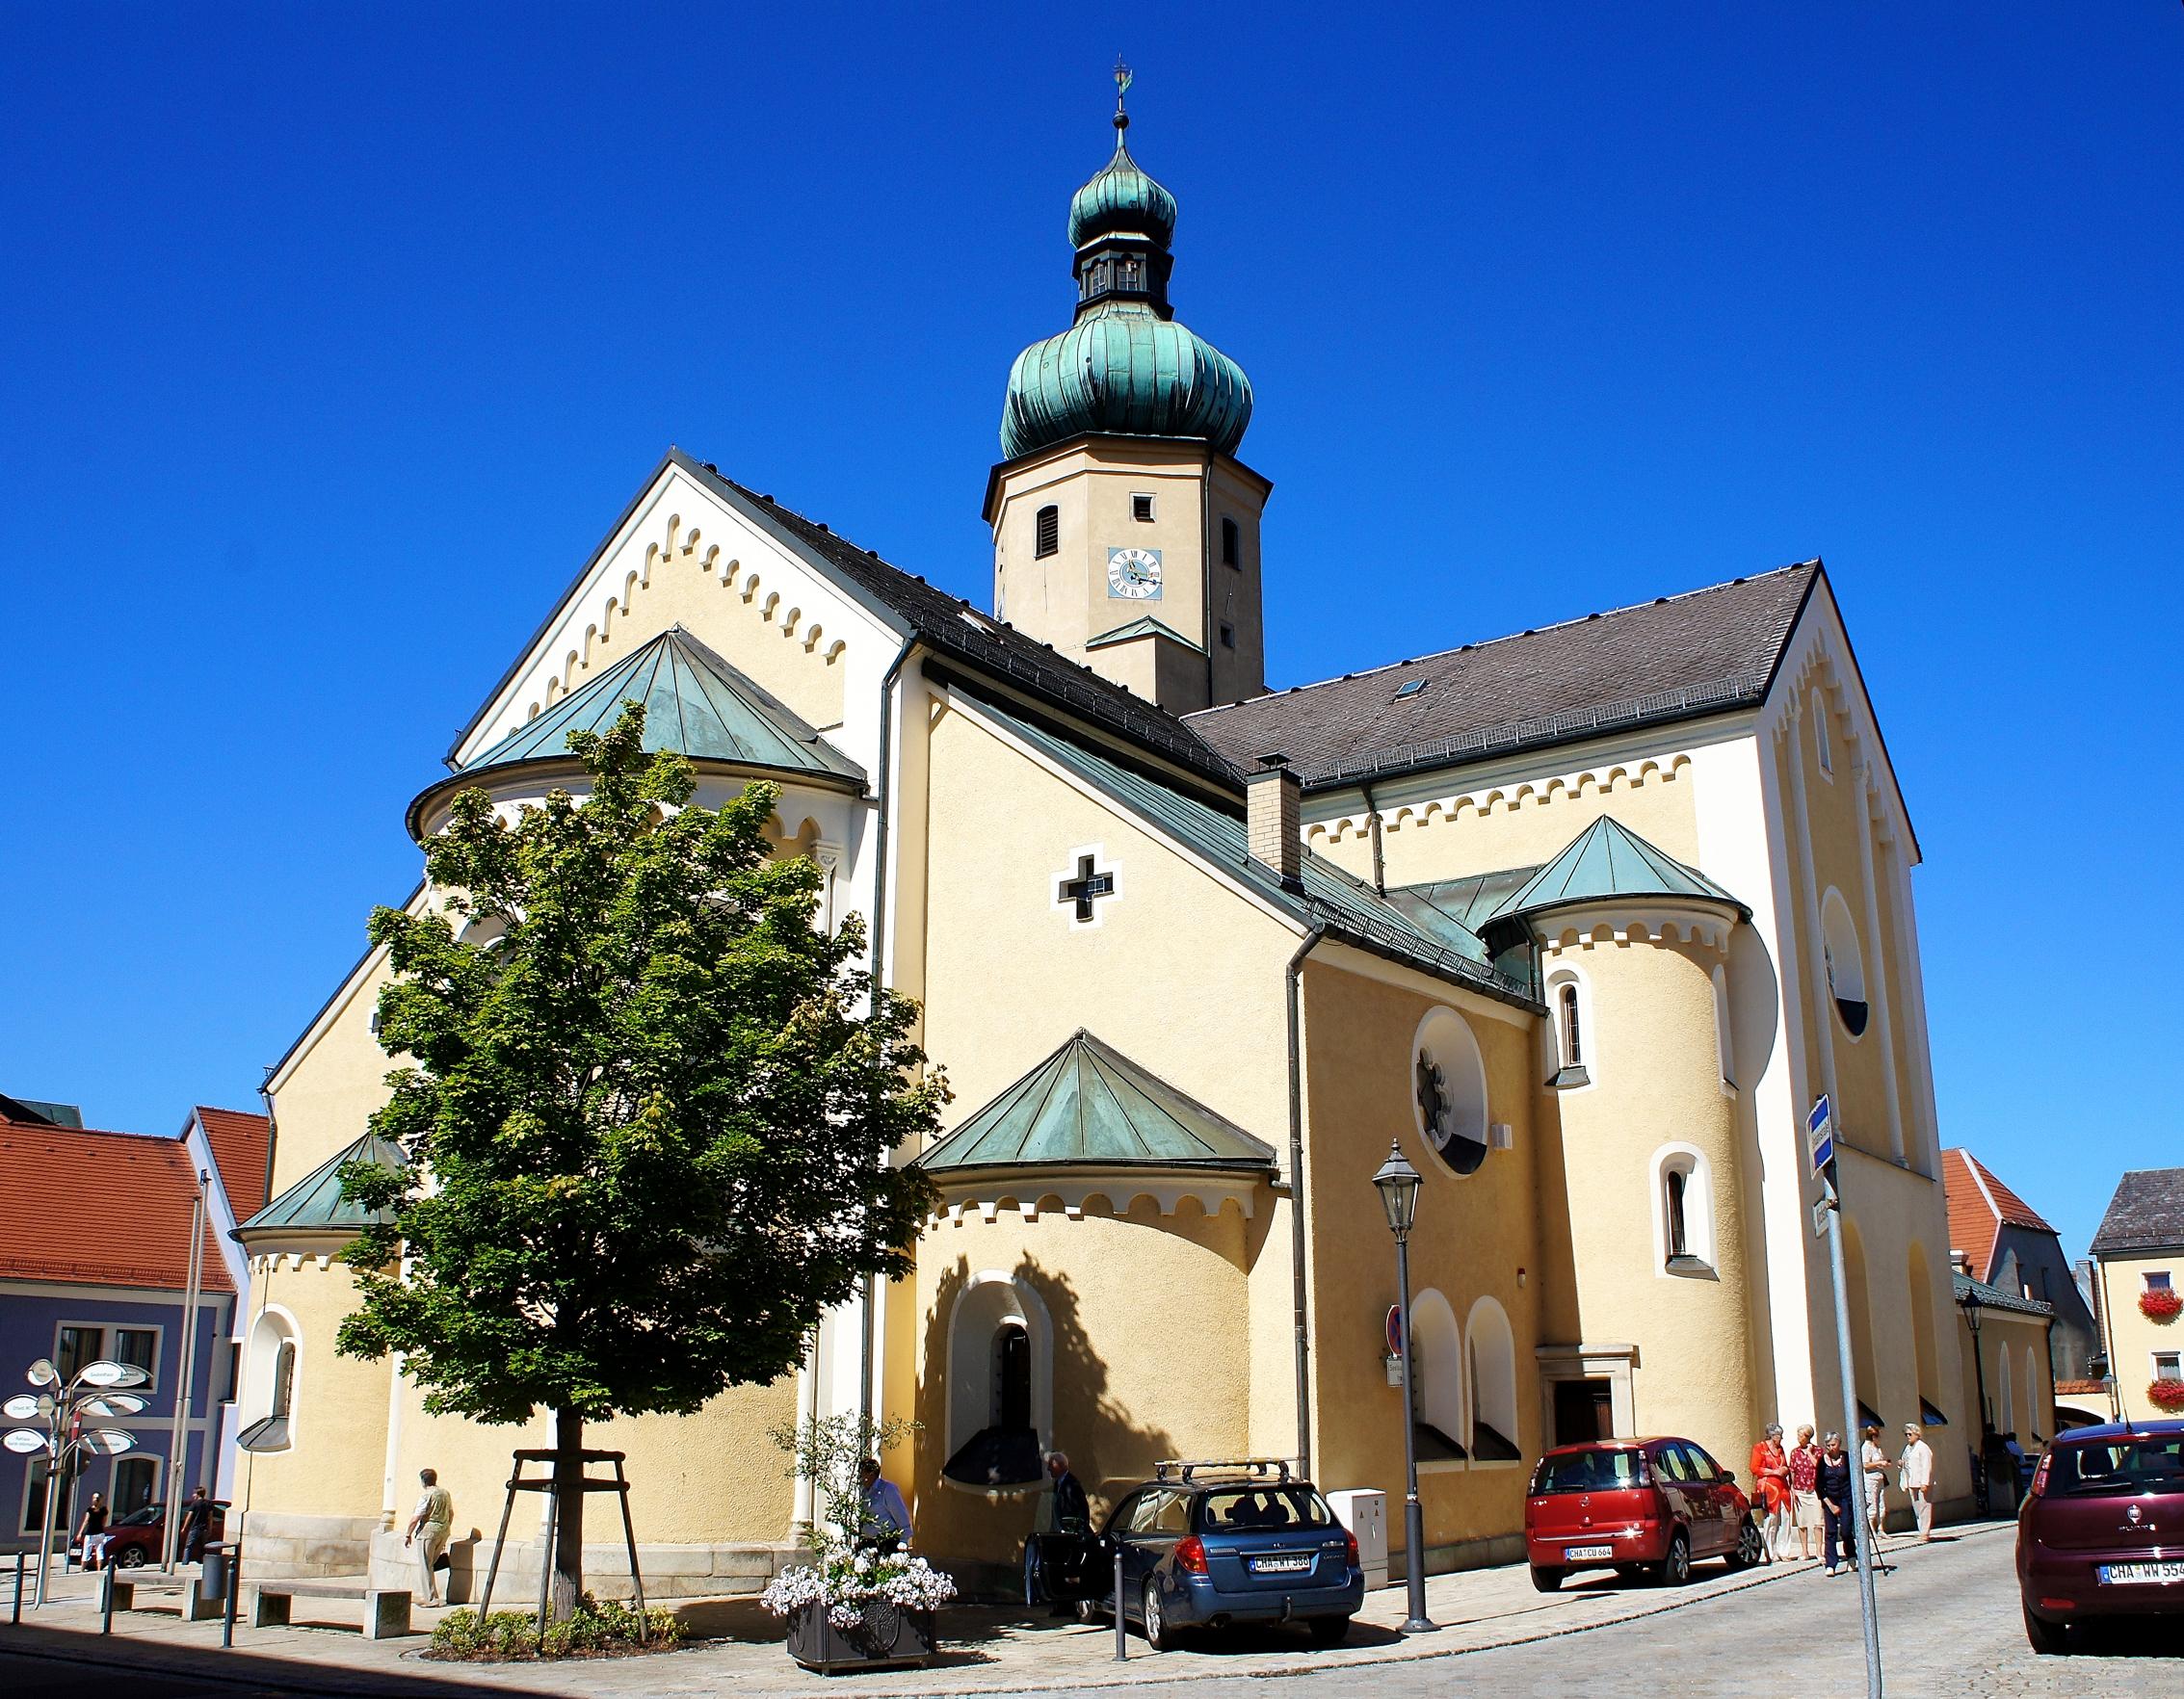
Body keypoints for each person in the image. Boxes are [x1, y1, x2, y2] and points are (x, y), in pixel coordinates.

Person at [403, 1468, 454, 1607]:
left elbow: (416, 1517)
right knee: (431, 1564)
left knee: (425, 1565)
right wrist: (445, 1528)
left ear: (423, 1481)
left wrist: (408, 1534)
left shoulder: (426, 1495)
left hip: (428, 1533)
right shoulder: (445, 1493)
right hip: (443, 1531)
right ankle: (433, 1597)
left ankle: (431, 1599)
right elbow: (451, 1514)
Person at [1750, 1424, 1792, 1561]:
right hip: (1769, 1488)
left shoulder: (1780, 1449)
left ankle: (1783, 1550)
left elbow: (1785, 1464)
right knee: (1771, 1519)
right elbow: (1755, 1468)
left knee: (1785, 1518)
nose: (1781, 1439)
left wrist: (1784, 1469)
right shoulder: (1760, 1448)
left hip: (1783, 1487)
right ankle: (1770, 1550)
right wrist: (1774, 1471)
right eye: (1779, 1436)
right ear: (1773, 1436)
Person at [1817, 1433, 1855, 1577]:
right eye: (1828, 1446)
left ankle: (1851, 1556)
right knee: (1830, 1532)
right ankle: (1831, 1564)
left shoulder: (1847, 1457)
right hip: (1829, 1499)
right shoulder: (1822, 1461)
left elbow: (1854, 1478)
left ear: (1839, 1444)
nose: (1831, 1448)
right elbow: (1818, 1486)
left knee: (1845, 1530)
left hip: (1845, 1498)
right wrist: (1830, 1505)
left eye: (1833, 1445)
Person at [857, 1457, 912, 1554]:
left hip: (887, 1542)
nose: (860, 1477)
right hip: (869, 1544)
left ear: (871, 1474)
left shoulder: (887, 1489)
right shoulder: (864, 1492)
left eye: (862, 1473)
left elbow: (900, 1514)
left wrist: (904, 1540)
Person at [1787, 1425, 1822, 1561]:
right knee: (1802, 1522)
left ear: (1807, 1437)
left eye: (1800, 1435)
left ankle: (1819, 1551)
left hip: (1814, 1490)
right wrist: (1793, 1488)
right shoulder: (1794, 1452)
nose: (1798, 1438)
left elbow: (1818, 1466)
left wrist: (1808, 1453)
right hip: (1800, 1490)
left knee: (1817, 1522)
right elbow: (1793, 1471)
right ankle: (1804, 1551)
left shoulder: (1818, 1451)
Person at [1899, 1424, 1936, 1542]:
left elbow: (1926, 1466)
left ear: (1917, 1434)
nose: (1908, 1436)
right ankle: (1921, 1530)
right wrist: (1901, 1463)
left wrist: (1924, 1483)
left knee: (1925, 1507)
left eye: (1910, 1434)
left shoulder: (1923, 1447)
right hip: (1912, 1482)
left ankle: (1925, 1532)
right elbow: (1906, 1461)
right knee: (1917, 1508)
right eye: (1906, 1434)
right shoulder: (1908, 1448)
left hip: (1921, 1482)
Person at [1859, 1425, 1890, 1547]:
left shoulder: (1877, 1447)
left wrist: (1884, 1463)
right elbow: (1865, 1464)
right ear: (1873, 1436)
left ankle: (1881, 1528)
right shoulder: (1866, 1447)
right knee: (1872, 1504)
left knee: (1881, 1504)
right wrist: (1879, 1463)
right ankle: (1871, 1529)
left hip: (1880, 1477)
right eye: (1877, 1436)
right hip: (1870, 1478)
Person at [1045, 1450, 1089, 1534]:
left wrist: (1077, 1532)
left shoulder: (1072, 1484)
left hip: (1070, 1533)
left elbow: (1082, 1511)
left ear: (1060, 1466)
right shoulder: (1058, 1484)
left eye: (1051, 1465)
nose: (1048, 1469)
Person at [178, 1486, 216, 1565]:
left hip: (195, 1527)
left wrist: (184, 1528)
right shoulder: (208, 1503)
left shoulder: (194, 1504)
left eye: (194, 1494)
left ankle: (185, 1562)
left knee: (188, 1546)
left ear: (198, 1494)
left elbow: (189, 1516)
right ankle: (204, 1562)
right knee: (204, 1546)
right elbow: (211, 1517)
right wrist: (210, 1528)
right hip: (204, 1528)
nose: (193, 1495)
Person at [74, 1492, 110, 1571]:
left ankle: (82, 1569)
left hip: (90, 1533)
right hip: (100, 1533)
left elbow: (86, 1521)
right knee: (99, 1552)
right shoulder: (104, 1510)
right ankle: (99, 1569)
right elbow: (104, 1522)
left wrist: (80, 1533)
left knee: (86, 1552)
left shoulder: (90, 1510)